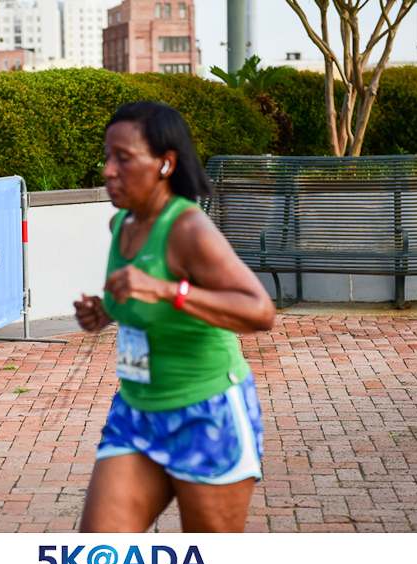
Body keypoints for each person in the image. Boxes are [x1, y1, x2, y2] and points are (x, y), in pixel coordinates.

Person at [74, 101, 276, 533]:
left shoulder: (188, 229)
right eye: (107, 156)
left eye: (124, 158)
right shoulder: (121, 224)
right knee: (94, 559)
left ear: (165, 163)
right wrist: (104, 311)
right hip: (136, 412)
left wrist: (169, 290)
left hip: (205, 413)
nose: (108, 170)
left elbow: (260, 311)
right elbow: (137, 295)